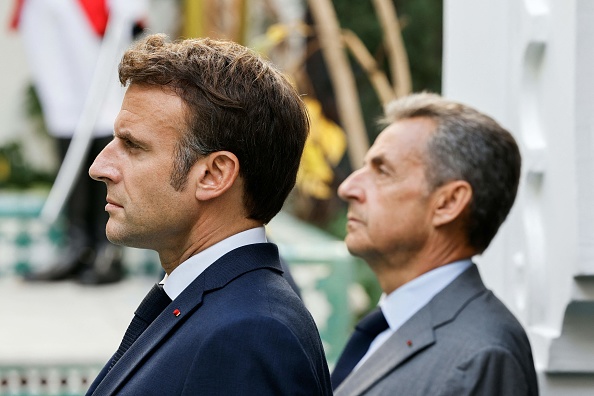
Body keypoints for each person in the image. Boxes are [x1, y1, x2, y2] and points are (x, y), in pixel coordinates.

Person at [85, 33, 332, 395]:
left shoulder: (248, 335)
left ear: (214, 175)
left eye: (133, 146)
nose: (99, 167)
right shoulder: (219, 306)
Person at [331, 92, 539, 395]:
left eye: (382, 171)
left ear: (449, 203)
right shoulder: (390, 326)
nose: (348, 187)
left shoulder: (483, 355)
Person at [11, 0, 144, 284]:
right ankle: (78, 245)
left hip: (89, 9)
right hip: (43, 8)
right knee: (63, 109)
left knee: (103, 105)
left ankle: (107, 246)